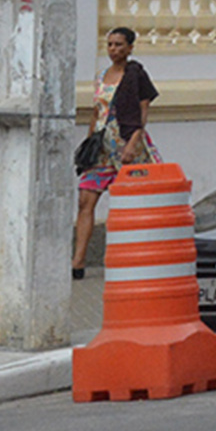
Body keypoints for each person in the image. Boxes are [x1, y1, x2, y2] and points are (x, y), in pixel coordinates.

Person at [71, 26, 159, 279]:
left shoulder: (136, 75)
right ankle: (78, 260)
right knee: (85, 200)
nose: (113, 49)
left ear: (130, 47)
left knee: (132, 203)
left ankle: (133, 256)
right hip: (101, 148)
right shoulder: (101, 76)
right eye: (110, 44)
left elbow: (142, 112)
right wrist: (89, 144)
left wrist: (133, 142)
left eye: (119, 45)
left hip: (125, 144)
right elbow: (96, 111)